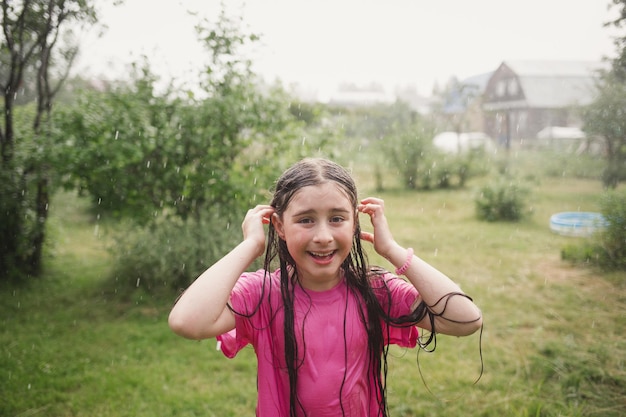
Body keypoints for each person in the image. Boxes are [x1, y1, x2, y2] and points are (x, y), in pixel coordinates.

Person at [168, 157, 483, 417]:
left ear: (355, 224)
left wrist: (393, 251)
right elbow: (187, 321)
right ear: (279, 226)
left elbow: (465, 319)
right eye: (306, 220)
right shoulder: (262, 294)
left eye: (337, 219)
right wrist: (250, 246)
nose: (323, 236)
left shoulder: (374, 291)